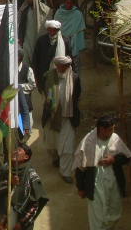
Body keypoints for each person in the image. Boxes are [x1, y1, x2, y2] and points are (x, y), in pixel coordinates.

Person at [74, 115, 131, 230]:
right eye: (110, 129)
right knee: (97, 217)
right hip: (95, 184)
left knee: (115, 212)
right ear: (102, 129)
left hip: (113, 182)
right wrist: (80, 188)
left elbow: (126, 157)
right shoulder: (88, 142)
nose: (112, 131)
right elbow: (80, 167)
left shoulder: (115, 138)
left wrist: (113, 159)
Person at [42, 55, 81, 184]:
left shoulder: (74, 78)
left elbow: (77, 95)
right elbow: (44, 91)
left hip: (68, 118)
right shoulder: (48, 76)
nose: (63, 68)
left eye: (65, 66)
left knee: (68, 148)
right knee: (51, 144)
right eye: (61, 66)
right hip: (52, 118)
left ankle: (66, 172)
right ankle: (56, 158)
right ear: (57, 66)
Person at [31, 20, 73, 91]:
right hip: (44, 73)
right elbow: (35, 59)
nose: (52, 32)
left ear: (58, 30)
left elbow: (69, 58)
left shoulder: (65, 40)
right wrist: (35, 75)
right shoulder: (41, 40)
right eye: (50, 30)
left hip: (60, 73)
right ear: (47, 30)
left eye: (54, 30)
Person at [19, 0, 52, 71]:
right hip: (27, 41)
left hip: (39, 42)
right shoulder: (25, 10)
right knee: (25, 63)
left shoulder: (46, 11)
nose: (27, 0)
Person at [54, 0, 86, 73]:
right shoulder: (58, 13)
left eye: (70, 3)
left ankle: (75, 79)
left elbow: (80, 31)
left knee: (74, 66)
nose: (68, 5)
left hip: (73, 42)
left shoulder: (77, 14)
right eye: (67, 3)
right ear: (64, 3)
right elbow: (55, 28)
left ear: (73, 4)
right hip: (61, 41)